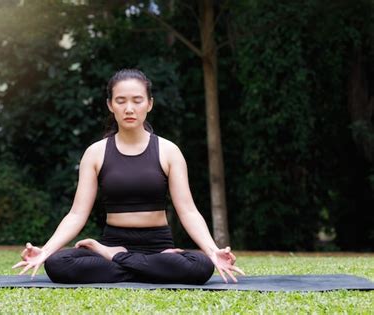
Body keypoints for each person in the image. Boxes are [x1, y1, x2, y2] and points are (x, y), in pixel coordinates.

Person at [12, 69, 244, 284]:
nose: (129, 108)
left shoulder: (169, 151)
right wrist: (46, 250)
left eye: (137, 100)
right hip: (115, 242)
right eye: (121, 101)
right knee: (57, 263)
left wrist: (213, 251)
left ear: (149, 104)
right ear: (110, 105)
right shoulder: (95, 153)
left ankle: (117, 259)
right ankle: (144, 267)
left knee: (202, 265)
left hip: (157, 247)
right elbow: (77, 213)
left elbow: (188, 211)